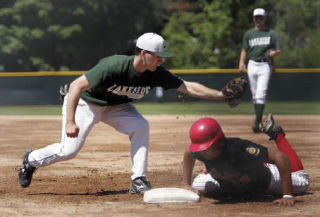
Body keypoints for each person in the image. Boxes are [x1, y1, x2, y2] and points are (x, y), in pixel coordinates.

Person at [18, 32, 227, 194]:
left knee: (140, 126)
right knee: (69, 150)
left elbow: (187, 87)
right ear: (144, 54)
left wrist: (221, 95)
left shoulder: (156, 73)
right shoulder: (114, 66)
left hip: (117, 106)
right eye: (158, 57)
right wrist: (70, 121)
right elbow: (75, 86)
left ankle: (138, 180)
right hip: (87, 103)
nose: (161, 60)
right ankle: (32, 159)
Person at [182, 114, 309, 206]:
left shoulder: (240, 148)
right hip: (233, 182)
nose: (201, 151)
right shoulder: (200, 151)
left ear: (218, 142)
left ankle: (277, 134)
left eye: (205, 147)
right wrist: (186, 184)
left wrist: (287, 195)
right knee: (197, 186)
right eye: (199, 148)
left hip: (267, 182)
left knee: (303, 182)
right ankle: (219, 173)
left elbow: (280, 157)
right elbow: (189, 153)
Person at [238, 8, 282, 133]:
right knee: (255, 94)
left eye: (261, 17)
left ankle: (257, 122)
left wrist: (273, 53)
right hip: (252, 64)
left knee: (261, 93)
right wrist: (242, 62)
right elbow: (244, 50)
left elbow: (279, 50)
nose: (258, 20)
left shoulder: (271, 33)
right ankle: (258, 121)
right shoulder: (249, 34)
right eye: (256, 17)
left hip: (265, 65)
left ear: (264, 18)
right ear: (253, 18)